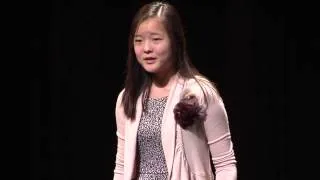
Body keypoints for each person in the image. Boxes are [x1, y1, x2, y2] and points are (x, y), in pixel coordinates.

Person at [113, 1, 237, 179]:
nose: (147, 48)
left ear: (175, 41)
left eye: (156, 39)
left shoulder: (199, 93)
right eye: (139, 40)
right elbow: (122, 166)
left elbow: (225, 164)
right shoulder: (128, 98)